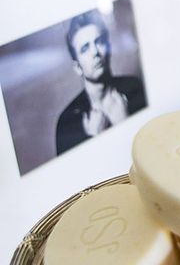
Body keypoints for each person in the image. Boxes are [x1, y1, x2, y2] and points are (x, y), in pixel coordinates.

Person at [55, 9, 147, 155]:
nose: (95, 53)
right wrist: (94, 139)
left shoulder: (135, 87)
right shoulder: (67, 122)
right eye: (85, 48)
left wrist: (125, 122)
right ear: (77, 67)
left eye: (98, 42)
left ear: (109, 47)